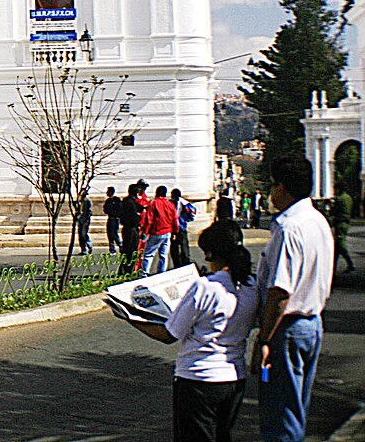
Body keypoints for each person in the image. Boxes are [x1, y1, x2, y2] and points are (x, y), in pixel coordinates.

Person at [127, 220, 259, 442]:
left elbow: (170, 334)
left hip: (198, 378)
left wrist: (130, 317)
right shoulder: (250, 285)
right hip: (234, 376)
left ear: (209, 254)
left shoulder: (206, 287)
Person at [253, 157, 334, 442]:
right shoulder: (318, 221)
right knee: (295, 409)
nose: (271, 193)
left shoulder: (289, 228)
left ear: (283, 189)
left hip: (285, 329)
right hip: (311, 325)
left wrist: (263, 339)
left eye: (273, 186)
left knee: (280, 415)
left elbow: (280, 293)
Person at [142, 185, 179, 276]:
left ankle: (144, 273)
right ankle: (162, 272)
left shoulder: (154, 203)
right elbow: (175, 218)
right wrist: (175, 231)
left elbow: (149, 219)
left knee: (149, 254)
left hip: (157, 231)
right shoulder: (170, 204)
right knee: (164, 254)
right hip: (168, 232)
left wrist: (145, 231)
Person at [119, 183, 145, 274]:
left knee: (133, 249)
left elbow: (140, 208)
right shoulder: (128, 202)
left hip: (132, 228)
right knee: (129, 250)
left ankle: (129, 268)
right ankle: (127, 269)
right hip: (130, 228)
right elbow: (132, 216)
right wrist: (138, 218)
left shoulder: (131, 201)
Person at [171, 189, 198, 269]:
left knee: (176, 246)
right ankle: (183, 261)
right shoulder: (184, 203)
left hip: (176, 227)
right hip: (181, 227)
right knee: (183, 245)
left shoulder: (173, 203)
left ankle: (179, 262)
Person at [331, 190, 355, 273]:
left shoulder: (340, 199)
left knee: (340, 243)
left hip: (340, 222)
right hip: (345, 221)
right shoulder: (348, 197)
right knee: (337, 245)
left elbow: (334, 210)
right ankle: (333, 266)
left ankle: (350, 263)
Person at [104, 186, 122, 254]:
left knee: (114, 233)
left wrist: (116, 214)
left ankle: (120, 245)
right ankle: (112, 249)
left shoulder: (117, 200)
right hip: (110, 218)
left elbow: (119, 209)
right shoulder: (108, 201)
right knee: (109, 234)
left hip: (115, 219)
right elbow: (105, 209)